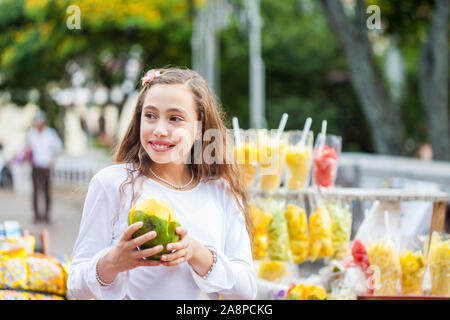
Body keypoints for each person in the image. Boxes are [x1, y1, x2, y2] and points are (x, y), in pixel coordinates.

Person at [67, 68, 257, 300]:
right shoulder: (112, 183)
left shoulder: (220, 190)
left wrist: (197, 253)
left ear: (198, 129)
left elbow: (247, 292)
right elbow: (74, 285)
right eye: (150, 115)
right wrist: (112, 262)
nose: (159, 130)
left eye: (175, 118)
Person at [26, 111, 63, 223]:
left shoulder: (50, 134)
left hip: (46, 166)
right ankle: (37, 214)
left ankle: (47, 214)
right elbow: (28, 148)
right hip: (35, 165)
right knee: (35, 191)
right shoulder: (31, 133)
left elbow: (58, 148)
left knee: (47, 190)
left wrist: (52, 160)